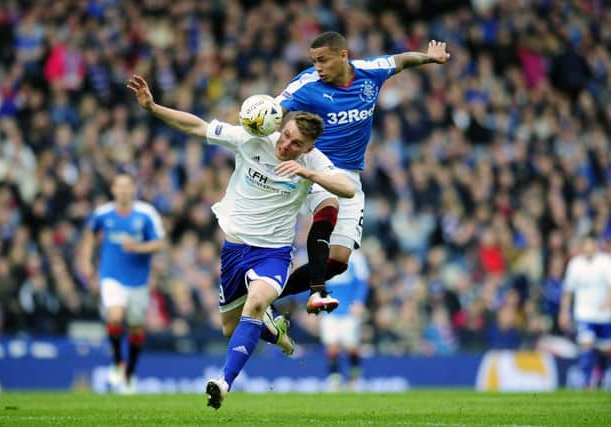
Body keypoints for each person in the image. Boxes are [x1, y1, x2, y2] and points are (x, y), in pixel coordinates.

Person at [126, 74, 355, 409]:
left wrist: (309, 173)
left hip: (273, 254)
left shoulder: (312, 162)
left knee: (257, 302)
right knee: (229, 328)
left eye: (295, 144)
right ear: (282, 125)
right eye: (286, 136)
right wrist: (153, 106)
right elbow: (196, 127)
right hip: (234, 250)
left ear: (308, 148)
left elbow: (347, 189)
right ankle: (275, 333)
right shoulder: (253, 138)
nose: (285, 145)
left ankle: (223, 383)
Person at [275, 31, 450, 312]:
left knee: (339, 262)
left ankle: (272, 296)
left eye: (323, 60)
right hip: (316, 164)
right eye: (314, 61)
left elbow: (401, 61)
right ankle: (317, 292)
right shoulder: (307, 84)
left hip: (350, 175)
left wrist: (429, 58)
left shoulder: (370, 73)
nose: (317, 67)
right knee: (327, 207)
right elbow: (274, 108)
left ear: (343, 56)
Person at [79, 173, 166, 394]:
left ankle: (130, 374)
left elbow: (159, 244)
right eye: (120, 186)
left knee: (136, 327)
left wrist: (137, 248)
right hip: (111, 275)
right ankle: (118, 362)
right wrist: (87, 260)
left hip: (138, 280)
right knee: (115, 316)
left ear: (133, 189)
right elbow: (89, 234)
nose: (124, 190)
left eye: (128, 186)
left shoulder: (146, 214)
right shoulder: (103, 213)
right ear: (113, 190)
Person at [559, 235, 611, 389]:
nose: (589, 248)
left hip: (604, 315)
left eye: (591, 245)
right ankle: (587, 383)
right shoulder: (575, 265)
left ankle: (600, 379)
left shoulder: (606, 262)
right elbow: (568, 291)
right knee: (586, 345)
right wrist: (564, 312)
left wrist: (607, 302)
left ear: (596, 246)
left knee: (603, 350)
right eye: (586, 245)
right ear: (582, 247)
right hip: (584, 314)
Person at [319, 250, 369, 391]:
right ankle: (334, 379)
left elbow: (362, 282)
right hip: (329, 308)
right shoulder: (324, 254)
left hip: (349, 308)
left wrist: (359, 302)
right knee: (331, 346)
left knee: (352, 346)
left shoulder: (356, 257)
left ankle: (355, 378)